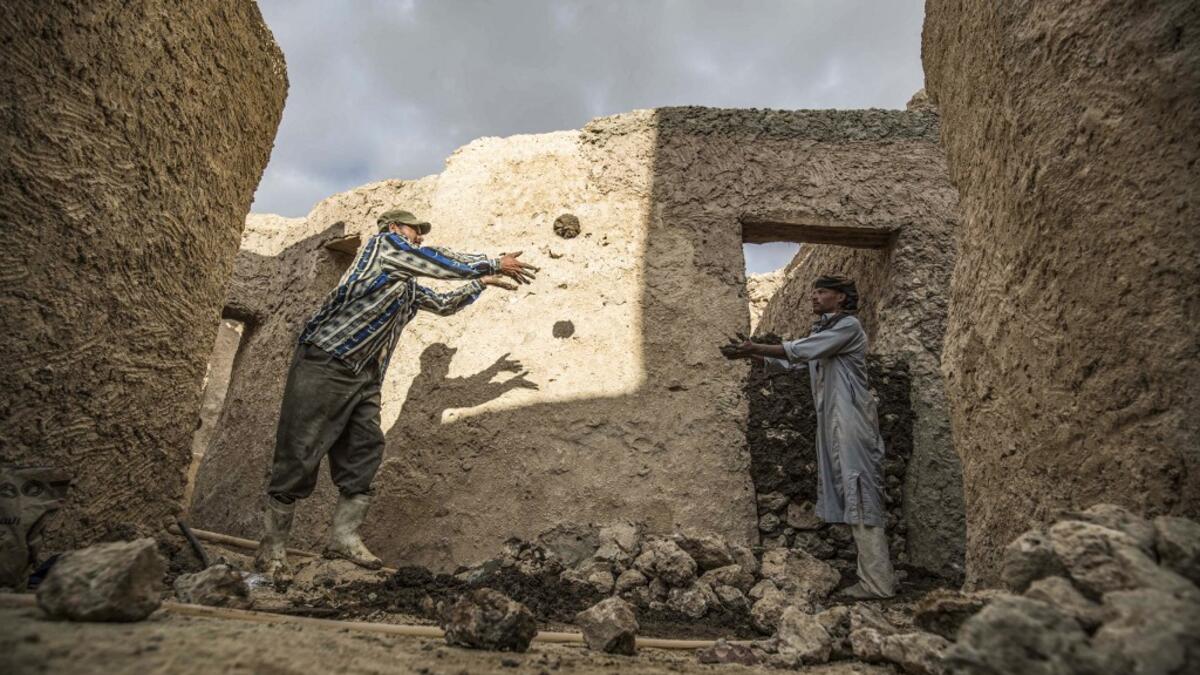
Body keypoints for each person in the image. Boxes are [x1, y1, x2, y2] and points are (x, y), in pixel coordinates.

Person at [254, 209, 538, 582]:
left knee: (365, 450)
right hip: (327, 359)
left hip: (365, 375)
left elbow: (443, 304)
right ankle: (271, 550)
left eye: (420, 233)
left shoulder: (404, 286)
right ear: (393, 228)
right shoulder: (384, 247)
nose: (419, 237)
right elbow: (431, 260)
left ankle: (344, 538)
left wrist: (482, 281)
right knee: (300, 449)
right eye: (414, 231)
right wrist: (489, 260)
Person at [721, 275, 896, 599]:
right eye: (813, 290)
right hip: (834, 422)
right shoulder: (827, 332)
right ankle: (873, 578)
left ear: (841, 298)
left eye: (822, 291)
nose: (814, 296)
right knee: (852, 493)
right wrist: (753, 356)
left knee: (860, 492)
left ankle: (878, 584)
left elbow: (802, 351)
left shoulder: (847, 328)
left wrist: (755, 346)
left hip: (851, 421)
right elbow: (800, 363)